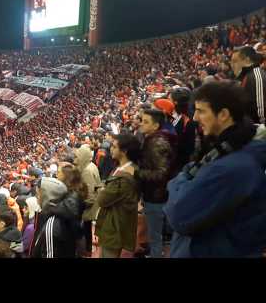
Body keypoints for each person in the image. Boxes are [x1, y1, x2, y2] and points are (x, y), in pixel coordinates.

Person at [164, 81, 266, 257]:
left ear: (224, 114)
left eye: (201, 111)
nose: (195, 118)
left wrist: (178, 181)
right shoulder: (230, 149)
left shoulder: (233, 166)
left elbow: (179, 215)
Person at [135, 109, 175, 258]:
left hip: (156, 195)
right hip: (155, 194)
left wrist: (137, 173)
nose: (141, 124)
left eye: (146, 122)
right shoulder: (152, 139)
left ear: (156, 125)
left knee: (155, 235)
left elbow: (160, 173)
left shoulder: (156, 143)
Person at [95, 134, 141, 258]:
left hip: (114, 226)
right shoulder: (123, 168)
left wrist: (103, 190)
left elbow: (102, 200)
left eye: (114, 147)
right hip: (114, 222)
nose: (111, 149)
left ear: (124, 151)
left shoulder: (125, 176)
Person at [30, 176, 77, 258]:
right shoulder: (63, 214)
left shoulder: (52, 224)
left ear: (47, 196)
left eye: (38, 194)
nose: (37, 198)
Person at [74, 144, 102, 257]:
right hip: (93, 203)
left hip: (89, 206)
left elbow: (89, 194)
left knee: (85, 230)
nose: (75, 160)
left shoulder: (86, 171)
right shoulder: (91, 165)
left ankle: (87, 250)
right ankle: (88, 249)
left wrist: (80, 206)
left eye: (77, 157)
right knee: (87, 229)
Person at [230, 46, 266, 124]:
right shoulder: (244, 77)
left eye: (235, 61)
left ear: (247, 60)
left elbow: (261, 113)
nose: (232, 65)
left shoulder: (256, 76)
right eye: (231, 62)